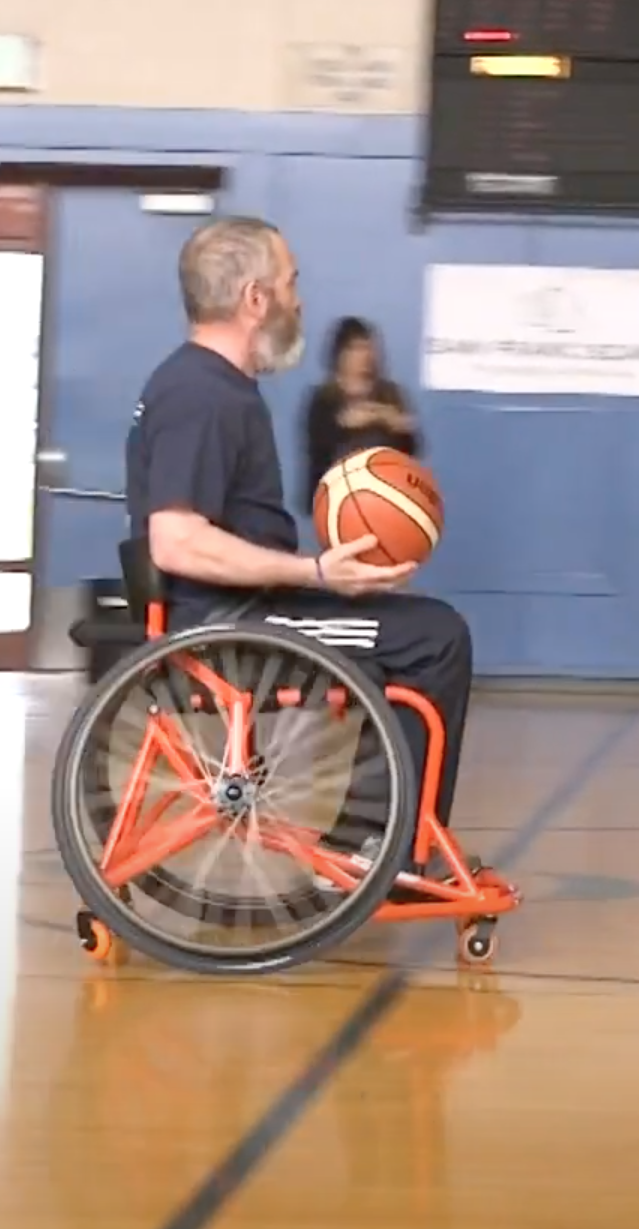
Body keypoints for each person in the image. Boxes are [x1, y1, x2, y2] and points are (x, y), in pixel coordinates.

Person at [127, 216, 487, 882]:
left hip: (247, 612)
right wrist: (315, 571)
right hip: (225, 630)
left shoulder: (216, 387)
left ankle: (370, 838)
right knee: (435, 638)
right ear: (255, 299)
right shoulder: (201, 394)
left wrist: (326, 581)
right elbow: (175, 541)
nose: (299, 300)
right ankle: (382, 850)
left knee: (409, 626)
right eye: (291, 283)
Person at [299, 316, 421, 518]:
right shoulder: (323, 398)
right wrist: (351, 421)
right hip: (337, 505)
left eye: (369, 348)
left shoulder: (390, 394)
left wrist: (385, 418)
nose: (365, 355)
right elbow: (318, 446)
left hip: (386, 504)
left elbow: (412, 448)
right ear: (340, 353)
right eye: (356, 348)